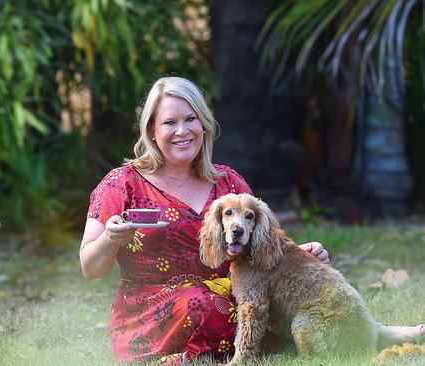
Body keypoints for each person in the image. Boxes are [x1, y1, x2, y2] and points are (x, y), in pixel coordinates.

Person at [79, 76, 424, 364]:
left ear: (204, 125)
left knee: (294, 297)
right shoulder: (122, 183)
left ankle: (372, 332)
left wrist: (301, 257)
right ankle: (369, 336)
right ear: (152, 130)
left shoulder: (229, 184)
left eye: (191, 119)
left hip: (242, 293)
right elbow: (89, 268)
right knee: (204, 303)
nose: (182, 130)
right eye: (169, 122)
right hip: (162, 307)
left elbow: (265, 248)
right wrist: (111, 238)